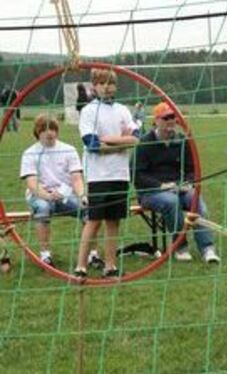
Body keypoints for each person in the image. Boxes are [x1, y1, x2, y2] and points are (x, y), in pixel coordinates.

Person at [133, 102, 220, 263]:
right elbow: (137, 175)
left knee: (197, 201)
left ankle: (208, 249)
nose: (170, 121)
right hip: (151, 192)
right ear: (156, 121)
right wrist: (161, 186)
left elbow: (192, 169)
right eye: (166, 118)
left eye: (173, 117)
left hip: (179, 188)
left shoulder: (182, 141)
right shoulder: (145, 143)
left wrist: (188, 182)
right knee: (171, 202)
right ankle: (180, 247)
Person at [74, 68, 140, 278]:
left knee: (114, 222)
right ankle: (81, 267)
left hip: (120, 174)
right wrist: (121, 142)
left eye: (110, 83)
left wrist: (108, 140)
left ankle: (110, 266)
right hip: (98, 175)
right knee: (94, 221)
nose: (106, 87)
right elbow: (91, 144)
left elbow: (136, 137)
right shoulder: (89, 111)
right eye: (101, 83)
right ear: (94, 86)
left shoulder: (122, 110)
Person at [19, 115, 88, 266]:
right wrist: (47, 196)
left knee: (88, 209)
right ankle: (45, 255)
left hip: (65, 195)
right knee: (43, 207)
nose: (49, 133)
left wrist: (82, 195)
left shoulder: (69, 150)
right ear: (37, 132)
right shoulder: (29, 153)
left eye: (52, 129)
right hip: (39, 195)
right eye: (44, 129)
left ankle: (91, 254)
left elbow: (76, 178)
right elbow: (32, 182)